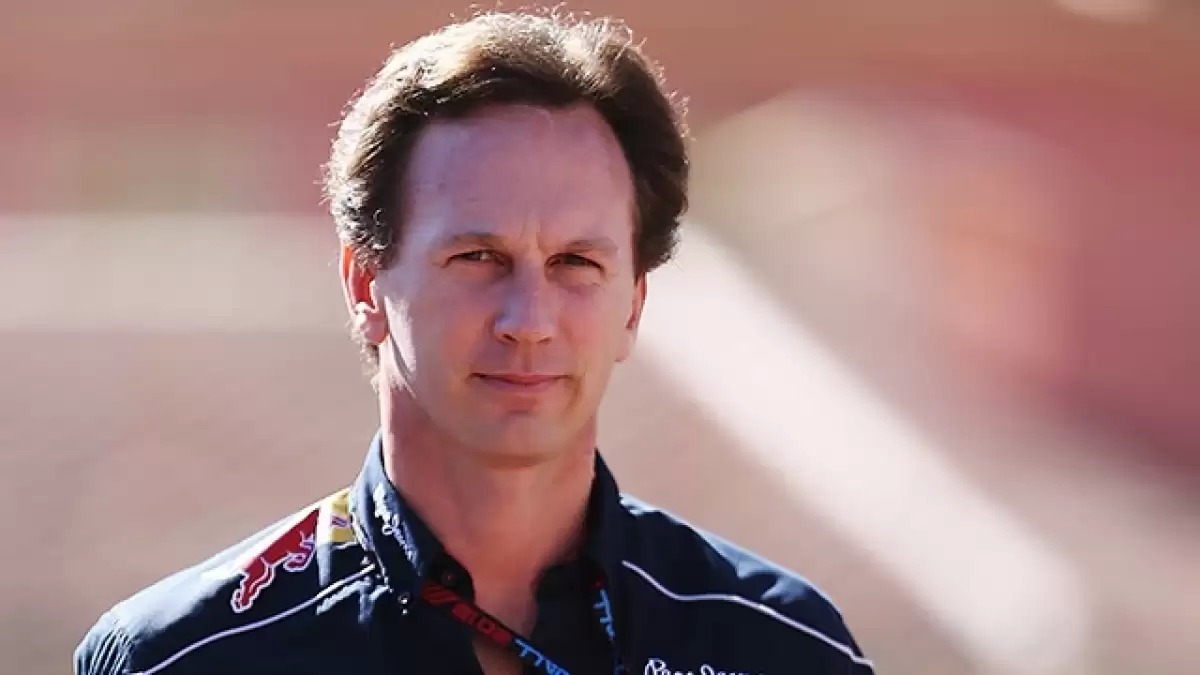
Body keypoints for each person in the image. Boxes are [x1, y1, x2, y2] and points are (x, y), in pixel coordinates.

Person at [74, 10, 874, 675]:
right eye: (478, 258)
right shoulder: (180, 657)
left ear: (634, 303)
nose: (528, 318)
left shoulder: (783, 647)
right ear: (364, 283)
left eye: (576, 263)